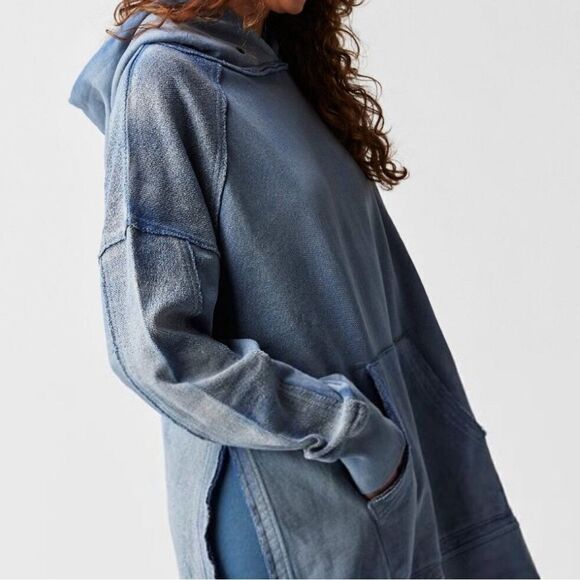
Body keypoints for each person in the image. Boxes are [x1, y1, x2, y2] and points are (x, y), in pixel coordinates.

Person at [68, 0, 539, 578]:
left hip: (381, 482)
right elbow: (155, 347)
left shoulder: (275, 65)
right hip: (291, 508)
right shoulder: (166, 78)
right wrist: (349, 428)